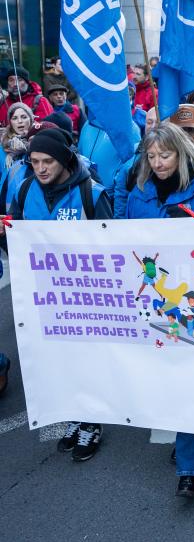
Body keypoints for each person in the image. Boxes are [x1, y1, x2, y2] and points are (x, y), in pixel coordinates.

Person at [125, 122, 194, 498]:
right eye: (151, 156)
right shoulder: (139, 194)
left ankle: (190, 467)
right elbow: (127, 243)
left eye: (165, 155)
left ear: (182, 153)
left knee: (192, 376)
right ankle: (187, 429)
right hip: (157, 303)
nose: (158, 163)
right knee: (169, 377)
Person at [2, 127, 111, 461]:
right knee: (60, 361)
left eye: (47, 161)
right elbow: (16, 242)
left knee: (87, 362)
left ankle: (92, 422)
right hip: (46, 296)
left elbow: (112, 249)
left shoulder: (92, 194)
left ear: (64, 159)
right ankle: (76, 415)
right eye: (34, 161)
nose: (40, 168)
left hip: (87, 298)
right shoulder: (24, 190)